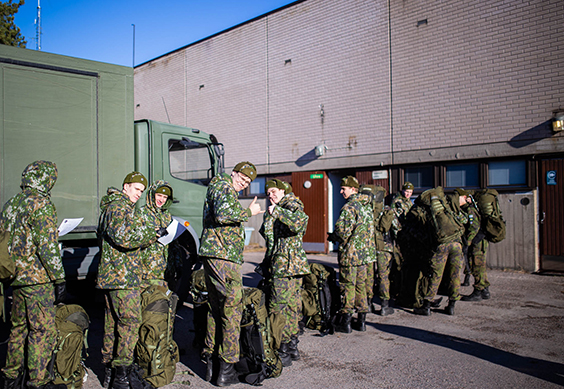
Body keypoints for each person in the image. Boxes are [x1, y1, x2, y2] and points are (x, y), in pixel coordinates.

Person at [0, 161, 66, 389]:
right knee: (41, 330)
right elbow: (47, 246)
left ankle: (10, 379)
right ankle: (38, 382)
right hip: (38, 280)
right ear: (47, 179)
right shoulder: (42, 204)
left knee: (18, 329)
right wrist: (59, 277)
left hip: (15, 278)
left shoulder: (12, 203)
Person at [199, 161, 263, 387]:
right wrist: (250, 212)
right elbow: (224, 215)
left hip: (217, 255)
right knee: (232, 310)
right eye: (242, 178)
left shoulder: (220, 187)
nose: (243, 184)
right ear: (233, 173)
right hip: (223, 258)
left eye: (247, 183)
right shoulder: (223, 186)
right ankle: (227, 369)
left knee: (217, 309)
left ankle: (212, 365)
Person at [97, 171, 161, 389]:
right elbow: (124, 238)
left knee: (113, 323)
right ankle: (121, 376)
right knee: (130, 322)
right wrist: (151, 232)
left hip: (116, 275)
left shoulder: (116, 207)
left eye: (141, 192)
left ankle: (109, 372)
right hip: (121, 277)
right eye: (136, 189)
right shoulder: (118, 207)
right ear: (125, 187)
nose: (138, 194)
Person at [259, 179, 309, 367]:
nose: (270, 195)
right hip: (283, 264)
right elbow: (268, 237)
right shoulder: (276, 207)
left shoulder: (291, 205)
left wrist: (277, 212)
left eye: (273, 191)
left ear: (282, 190)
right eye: (268, 193)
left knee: (279, 306)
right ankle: (290, 346)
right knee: (290, 305)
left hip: (286, 265)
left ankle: (282, 347)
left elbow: (298, 224)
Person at [329, 176, 376, 333]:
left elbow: (342, 232)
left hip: (350, 255)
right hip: (364, 255)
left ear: (354, 189)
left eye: (344, 188)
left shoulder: (350, 207)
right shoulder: (367, 206)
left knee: (347, 286)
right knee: (361, 286)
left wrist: (333, 236)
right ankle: (362, 321)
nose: (341, 191)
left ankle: (346, 321)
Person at [414, 189, 467, 316]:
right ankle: (452, 305)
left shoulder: (430, 213)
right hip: (457, 244)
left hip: (443, 245)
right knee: (455, 275)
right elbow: (463, 221)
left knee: (436, 275)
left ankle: (426, 306)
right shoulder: (448, 209)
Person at [360, 184, 396, 316]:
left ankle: (369, 304)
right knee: (383, 276)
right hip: (383, 248)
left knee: (369, 276)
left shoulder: (365, 211)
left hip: (369, 247)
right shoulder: (386, 210)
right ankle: (384, 306)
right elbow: (396, 228)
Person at [138, 180, 174, 288]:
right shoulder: (141, 213)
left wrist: (177, 264)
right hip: (148, 270)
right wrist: (154, 234)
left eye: (165, 197)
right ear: (152, 195)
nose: (161, 200)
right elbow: (136, 240)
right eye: (159, 195)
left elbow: (173, 243)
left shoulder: (166, 215)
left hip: (166, 268)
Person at [458, 188, 492, 302]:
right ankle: (485, 290)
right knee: (480, 266)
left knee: (476, 266)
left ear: (464, 198)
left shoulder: (470, 211)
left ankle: (478, 291)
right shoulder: (468, 209)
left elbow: (474, 228)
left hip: (477, 242)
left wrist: (467, 243)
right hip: (478, 242)